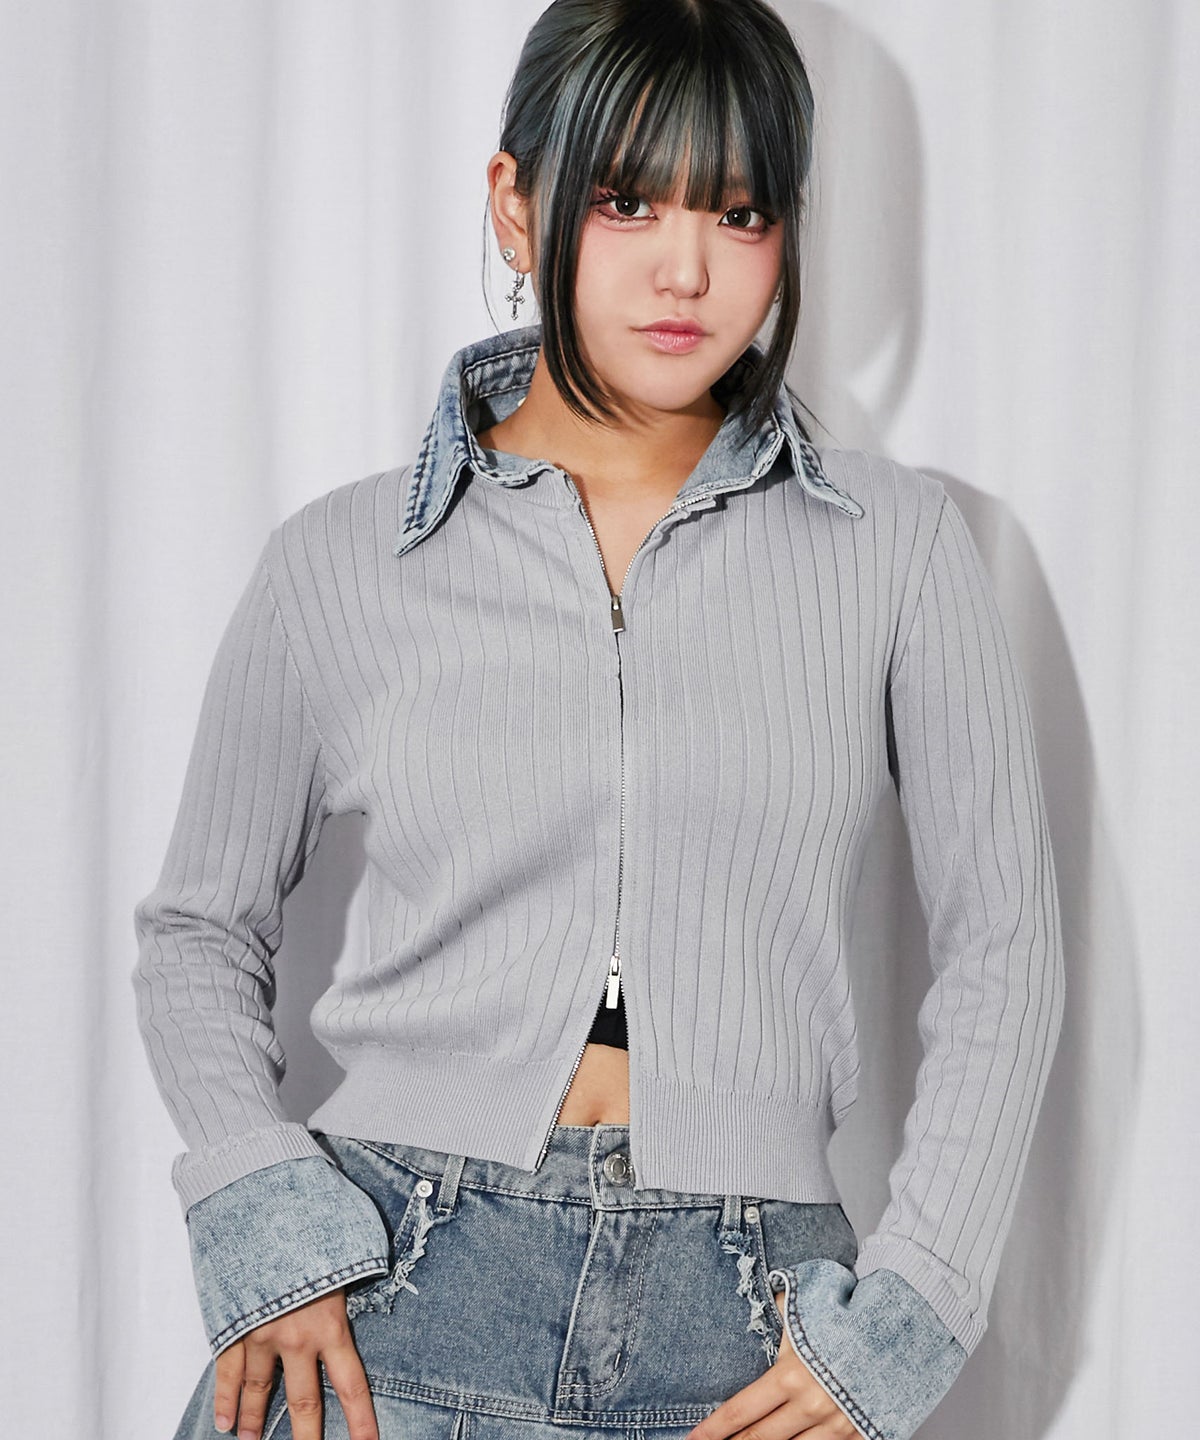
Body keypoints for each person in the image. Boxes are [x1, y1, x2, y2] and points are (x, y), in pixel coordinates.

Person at [131, 3, 1065, 1439]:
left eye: (739, 214)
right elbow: (199, 929)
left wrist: (912, 1310)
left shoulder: (899, 548)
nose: (686, 269)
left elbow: (1006, 949)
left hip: (749, 1336)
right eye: (627, 201)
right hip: (386, 1299)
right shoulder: (342, 558)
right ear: (517, 204)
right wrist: (265, 1218)